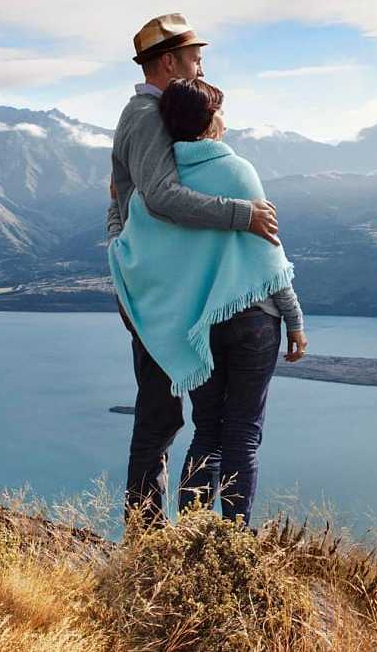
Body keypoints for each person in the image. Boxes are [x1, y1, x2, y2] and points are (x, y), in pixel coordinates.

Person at [109, 77, 308, 528]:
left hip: (199, 328)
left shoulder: (157, 189)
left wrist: (115, 206)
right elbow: (269, 257)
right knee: (243, 436)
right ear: (210, 120)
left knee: (208, 431)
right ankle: (233, 542)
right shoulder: (237, 171)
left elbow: (128, 252)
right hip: (254, 323)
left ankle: (193, 539)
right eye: (220, 110)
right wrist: (294, 320)